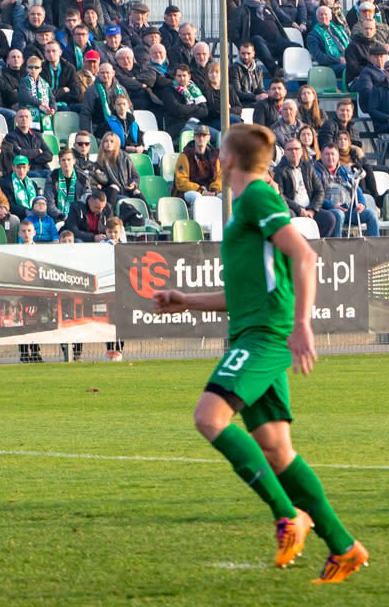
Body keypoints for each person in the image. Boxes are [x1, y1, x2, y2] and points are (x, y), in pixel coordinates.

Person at [153, 123, 367, 583]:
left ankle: (288, 516)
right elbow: (243, 291)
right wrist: (186, 300)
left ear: (227, 159)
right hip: (256, 329)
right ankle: (345, 547)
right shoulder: (244, 207)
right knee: (276, 450)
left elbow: (305, 256)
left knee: (209, 418)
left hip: (266, 335)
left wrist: (303, 324)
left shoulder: (257, 197)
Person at [175, 125, 221, 208]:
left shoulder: (215, 155)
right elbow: (181, 182)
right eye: (198, 135)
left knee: (227, 196)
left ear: (209, 138)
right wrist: (201, 190)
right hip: (189, 191)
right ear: (194, 137)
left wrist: (214, 190)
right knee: (197, 197)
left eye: (204, 135)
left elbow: (220, 177)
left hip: (211, 190)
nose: (201, 138)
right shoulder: (185, 155)